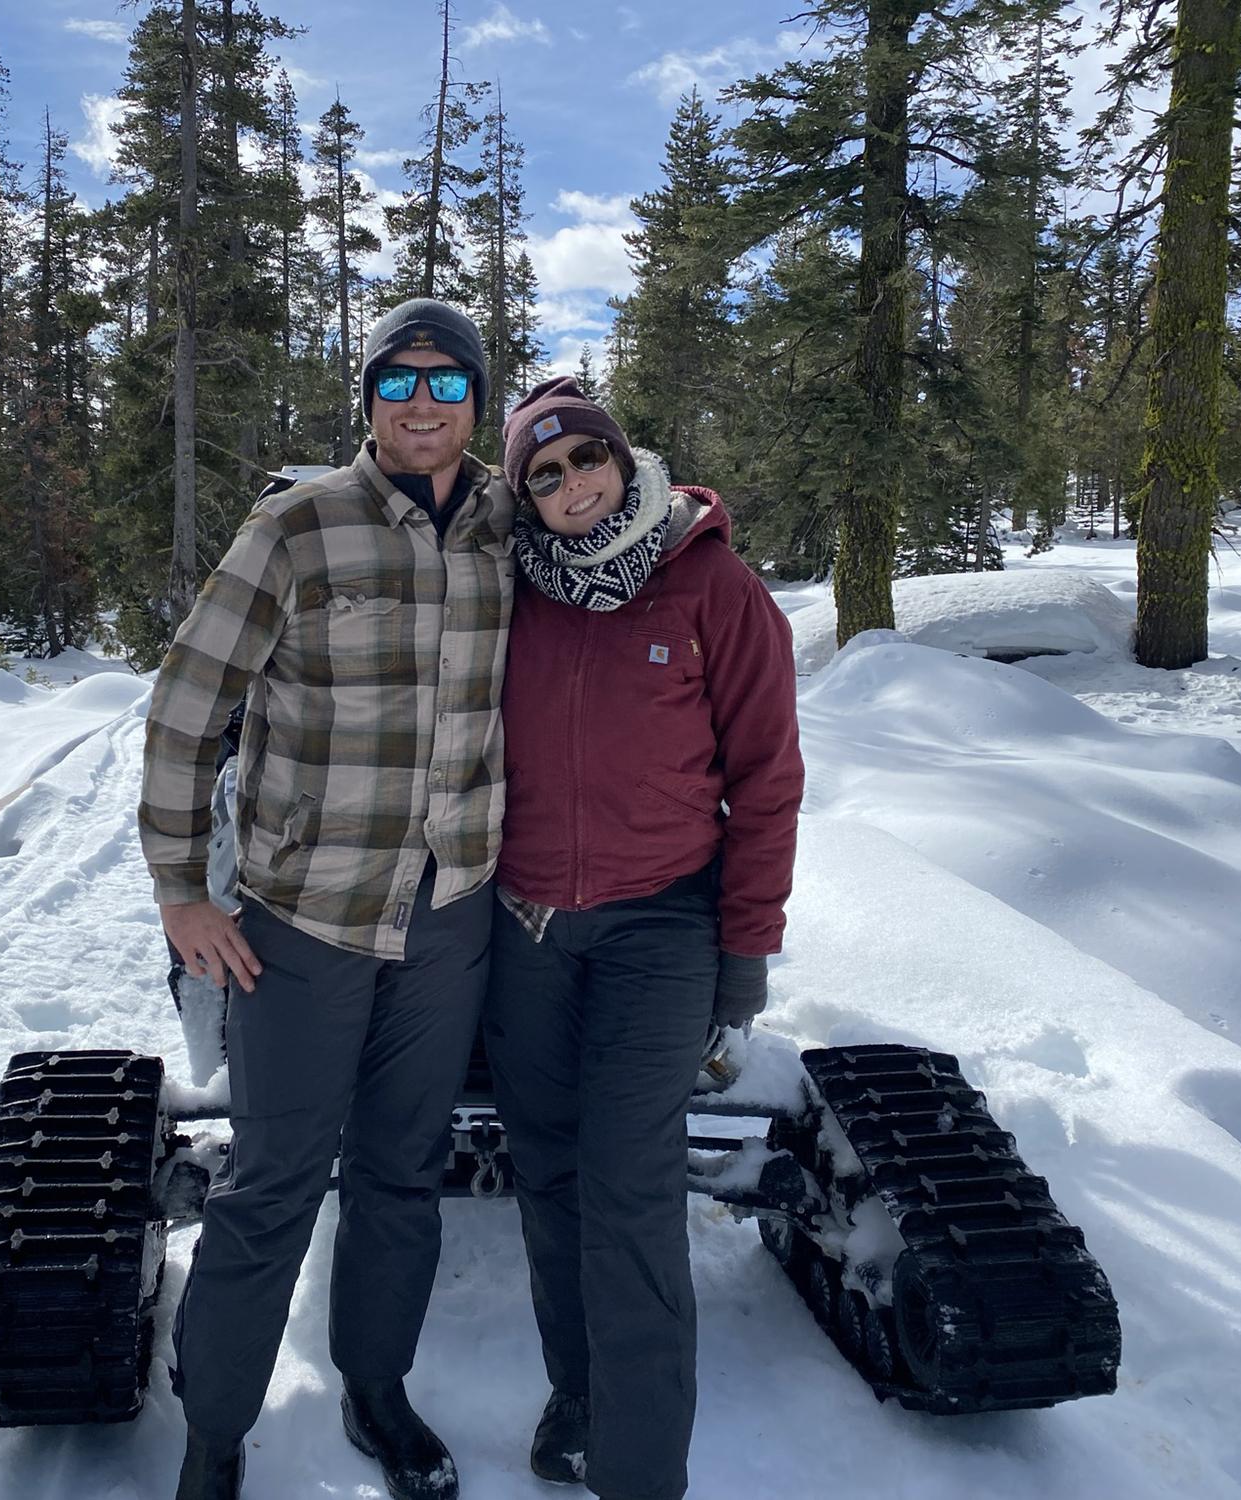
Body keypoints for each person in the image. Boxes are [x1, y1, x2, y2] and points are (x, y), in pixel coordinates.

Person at [139, 298, 517, 1500]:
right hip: (301, 921)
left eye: (445, 384)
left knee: (403, 1174)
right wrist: (179, 892)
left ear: (476, 401)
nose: (420, 404)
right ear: (365, 399)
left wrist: (694, 524)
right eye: (396, 382)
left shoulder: (511, 526)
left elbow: (625, 534)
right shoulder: (297, 527)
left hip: (451, 914)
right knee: (272, 1183)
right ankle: (213, 1440)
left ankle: (376, 1387)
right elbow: (186, 709)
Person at [483, 377, 803, 1500]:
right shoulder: (505, 593)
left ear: (625, 461)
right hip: (520, 930)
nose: (571, 486)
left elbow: (766, 781)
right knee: (549, 1175)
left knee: (625, 1188)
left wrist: (744, 945)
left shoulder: (710, 587)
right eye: (544, 473)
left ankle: (638, 1467)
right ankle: (578, 1394)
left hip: (659, 927)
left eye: (586, 461)